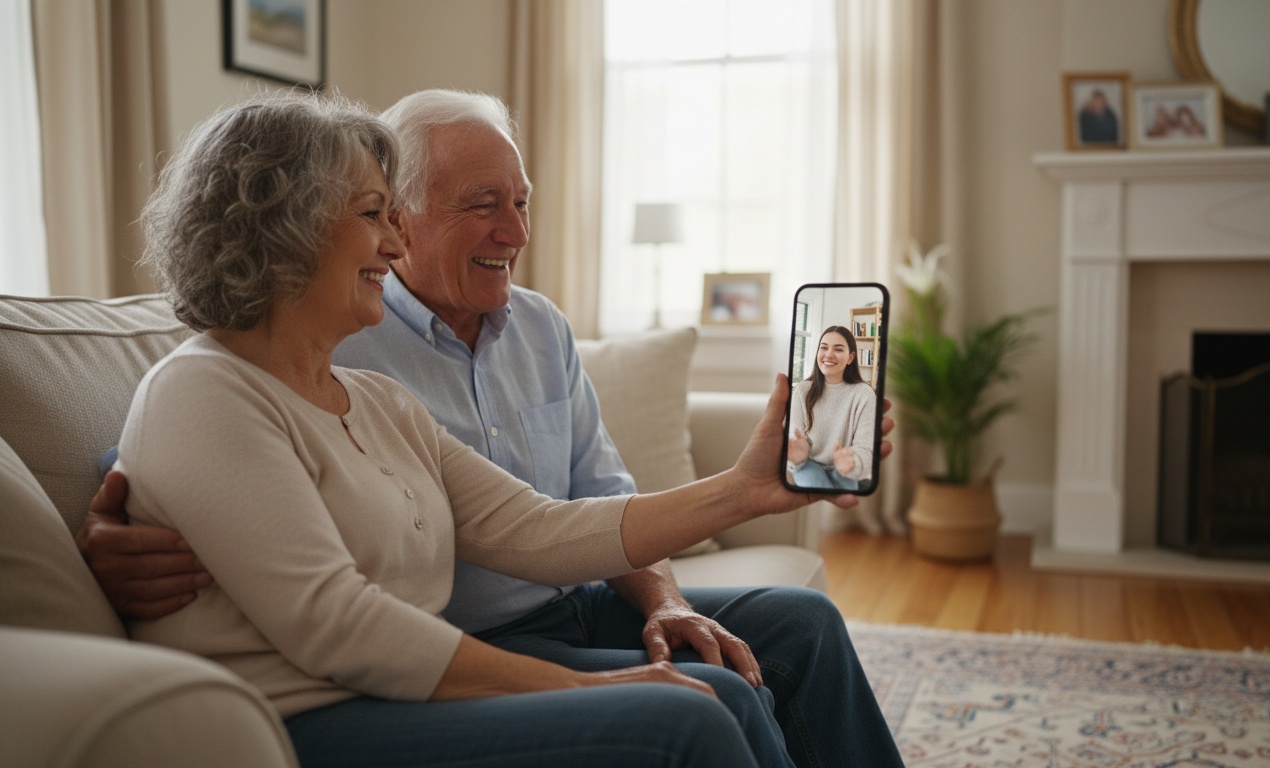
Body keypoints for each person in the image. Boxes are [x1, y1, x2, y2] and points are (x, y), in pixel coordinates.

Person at [83, 89, 905, 767]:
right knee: (693, 715)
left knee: (771, 653)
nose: (394, 243)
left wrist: (746, 490)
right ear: (287, 230)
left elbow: (544, 526)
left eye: (520, 203)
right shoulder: (209, 385)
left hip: (437, 666)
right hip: (316, 709)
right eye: (376, 214)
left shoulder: (374, 398)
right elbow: (300, 584)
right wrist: (109, 520)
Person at [785, 326, 876, 492]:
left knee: (844, 503)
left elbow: (865, 447)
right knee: (823, 498)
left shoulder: (864, 394)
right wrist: (797, 455)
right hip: (807, 463)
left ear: (850, 358)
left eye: (838, 349)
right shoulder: (802, 391)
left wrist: (853, 462)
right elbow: (793, 438)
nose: (828, 354)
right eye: (824, 347)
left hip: (844, 466)